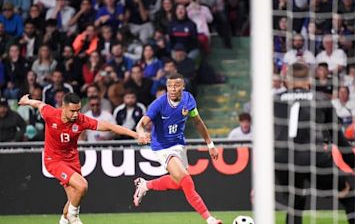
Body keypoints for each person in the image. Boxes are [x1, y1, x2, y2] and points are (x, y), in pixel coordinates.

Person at [18, 92, 149, 224]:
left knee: (73, 199)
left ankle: (66, 218)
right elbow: (40, 104)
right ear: (63, 107)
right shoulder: (51, 114)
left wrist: (136, 135)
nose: (76, 114)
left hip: (72, 160)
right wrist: (27, 101)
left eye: (78, 110)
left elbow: (110, 127)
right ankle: (74, 217)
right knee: (82, 186)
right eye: (72, 111)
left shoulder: (81, 120)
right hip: (54, 160)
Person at [274, 62, 355, 224]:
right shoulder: (320, 98)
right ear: (309, 81)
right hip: (313, 156)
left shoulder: (273, 100)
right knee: (346, 193)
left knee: (296, 199)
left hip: (282, 160)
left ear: (286, 81)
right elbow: (339, 140)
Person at [133, 73, 222, 224]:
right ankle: (210, 219)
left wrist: (210, 145)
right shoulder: (159, 104)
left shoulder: (188, 99)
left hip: (179, 145)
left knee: (177, 183)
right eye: (169, 86)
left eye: (176, 85)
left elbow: (198, 122)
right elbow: (141, 124)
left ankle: (145, 185)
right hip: (162, 147)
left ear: (183, 86)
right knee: (187, 182)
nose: (172, 89)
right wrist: (141, 134)